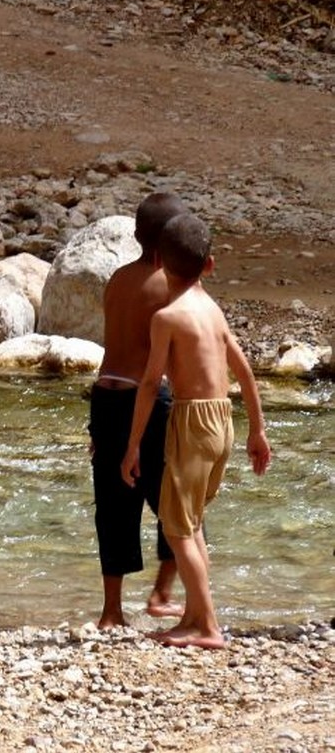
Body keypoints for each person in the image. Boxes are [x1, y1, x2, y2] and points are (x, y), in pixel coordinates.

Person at [121, 213, 271, 649]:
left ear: (158, 265)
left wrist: (132, 445)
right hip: (222, 419)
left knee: (176, 528)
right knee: (193, 522)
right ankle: (193, 615)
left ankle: (209, 628)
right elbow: (245, 374)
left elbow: (150, 385)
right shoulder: (213, 311)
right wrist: (257, 431)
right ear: (210, 265)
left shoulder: (167, 317)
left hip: (191, 420)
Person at [88, 191, 188, 629]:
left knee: (112, 504)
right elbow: (171, 358)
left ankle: (111, 610)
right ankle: (162, 593)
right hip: (142, 399)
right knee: (174, 500)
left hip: (105, 395)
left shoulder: (117, 278)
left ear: (135, 235)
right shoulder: (168, 286)